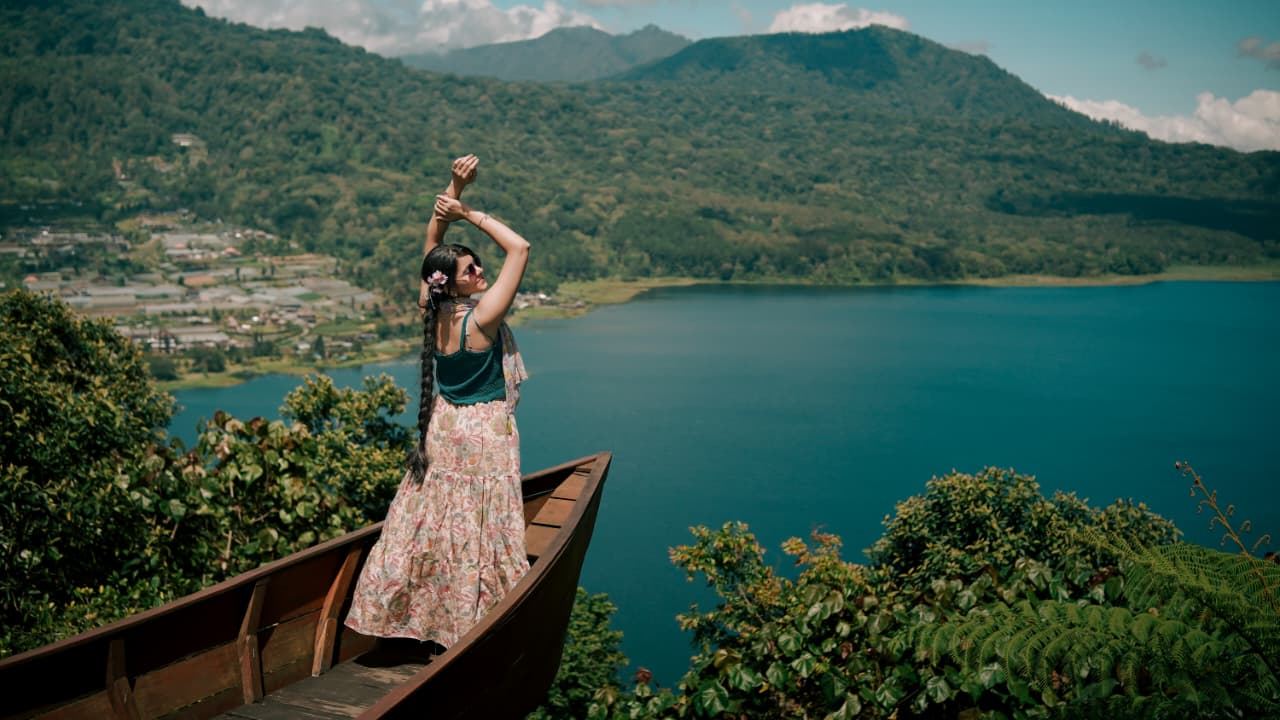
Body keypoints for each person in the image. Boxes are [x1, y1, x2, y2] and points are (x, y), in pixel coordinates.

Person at [344, 155, 531, 652]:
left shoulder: (433, 308)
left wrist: (453, 189)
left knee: (436, 522)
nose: (482, 270)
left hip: (443, 426)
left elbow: (433, 250)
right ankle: (472, 623)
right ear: (458, 281)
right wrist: (469, 212)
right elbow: (520, 248)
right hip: (484, 432)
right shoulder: (482, 318)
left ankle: (415, 617)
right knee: (480, 527)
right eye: (473, 269)